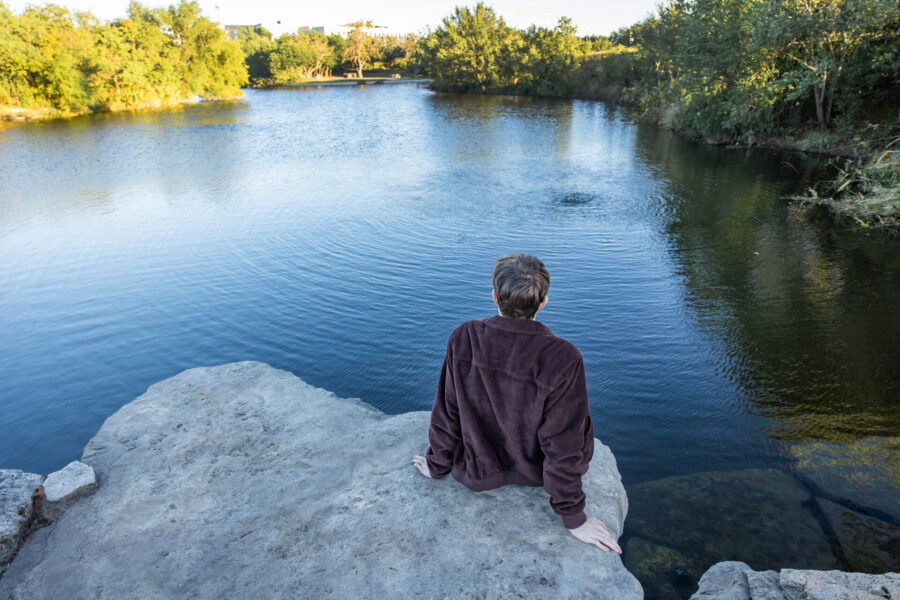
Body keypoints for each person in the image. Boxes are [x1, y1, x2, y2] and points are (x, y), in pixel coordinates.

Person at [411, 253, 621, 553]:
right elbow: (563, 443)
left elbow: (447, 411)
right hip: (535, 473)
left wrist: (437, 464)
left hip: (476, 471)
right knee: (576, 421)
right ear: (544, 301)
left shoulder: (464, 337)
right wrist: (573, 517)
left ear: (495, 296)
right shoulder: (563, 357)